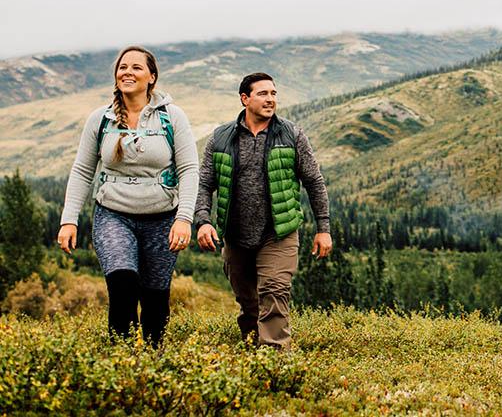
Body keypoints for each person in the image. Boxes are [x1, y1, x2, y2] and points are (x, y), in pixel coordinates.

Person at [57, 45, 199, 345]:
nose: (128, 72)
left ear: (152, 77)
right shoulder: (101, 119)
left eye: (136, 67)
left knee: (155, 297)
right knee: (122, 286)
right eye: (123, 67)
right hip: (113, 215)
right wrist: (68, 220)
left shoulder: (172, 117)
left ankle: (151, 360)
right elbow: (83, 170)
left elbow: (189, 169)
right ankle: (120, 363)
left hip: (163, 219)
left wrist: (184, 219)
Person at [195, 72, 332, 350]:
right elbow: (205, 183)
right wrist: (203, 221)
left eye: (273, 94)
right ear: (245, 99)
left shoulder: (292, 135)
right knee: (249, 303)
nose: (270, 99)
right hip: (235, 235)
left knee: (275, 292)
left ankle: (275, 363)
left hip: (278, 232)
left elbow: (314, 181)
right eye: (263, 94)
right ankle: (251, 351)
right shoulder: (220, 138)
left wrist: (323, 228)